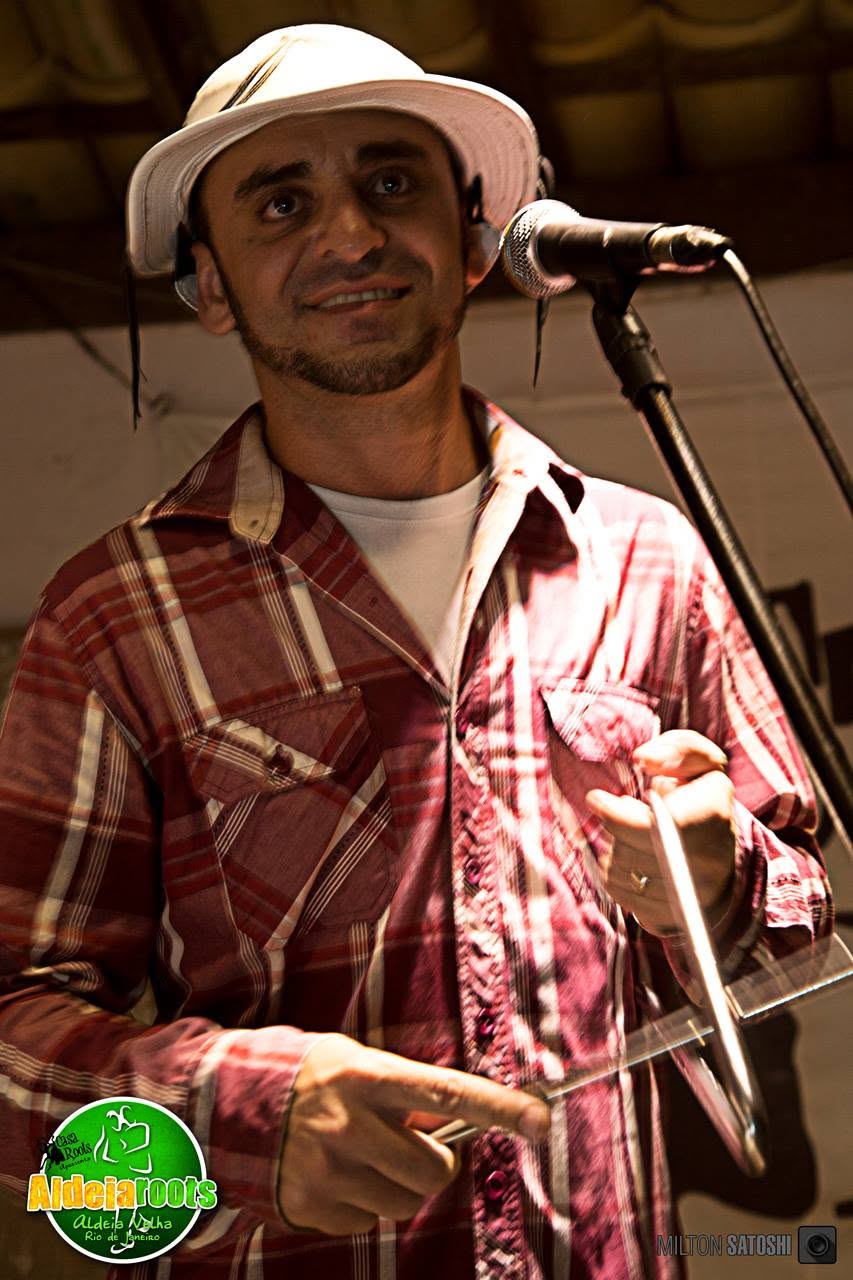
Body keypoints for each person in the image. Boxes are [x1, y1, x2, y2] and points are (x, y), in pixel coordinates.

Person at [0, 23, 832, 1280]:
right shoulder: (112, 617)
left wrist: (716, 883)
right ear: (211, 285)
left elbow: (802, 924)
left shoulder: (648, 556)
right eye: (282, 202)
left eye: (391, 180)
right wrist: (235, 1115)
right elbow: (19, 1053)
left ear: (476, 240)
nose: (350, 233)